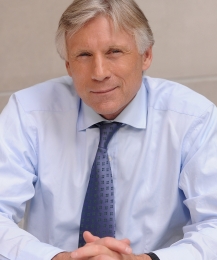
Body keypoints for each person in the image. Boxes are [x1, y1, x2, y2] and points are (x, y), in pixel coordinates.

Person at [0, 0, 217, 259]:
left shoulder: (194, 119)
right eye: (84, 55)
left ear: (146, 55)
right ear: (68, 65)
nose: (99, 72)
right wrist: (58, 258)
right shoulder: (28, 112)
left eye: (114, 51)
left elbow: (213, 224)